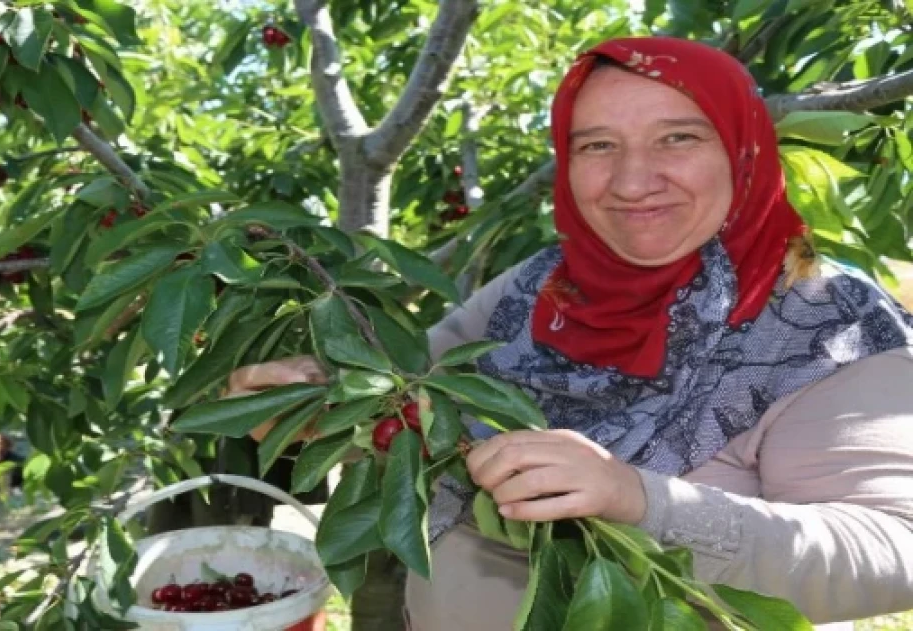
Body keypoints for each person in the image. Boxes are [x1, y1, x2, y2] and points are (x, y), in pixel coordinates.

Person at [224, 37, 913, 629]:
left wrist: (641, 499)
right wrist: (326, 399)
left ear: (742, 147)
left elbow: (894, 551)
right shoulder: (544, 283)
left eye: (679, 137)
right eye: (598, 145)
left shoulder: (827, 321)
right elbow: (416, 402)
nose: (633, 179)